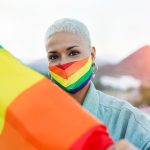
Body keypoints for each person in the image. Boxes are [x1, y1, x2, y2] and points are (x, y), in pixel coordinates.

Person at [44, 18, 150, 149]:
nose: (63, 63)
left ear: (92, 55)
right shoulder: (38, 118)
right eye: (53, 57)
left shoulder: (127, 120)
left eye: (73, 53)